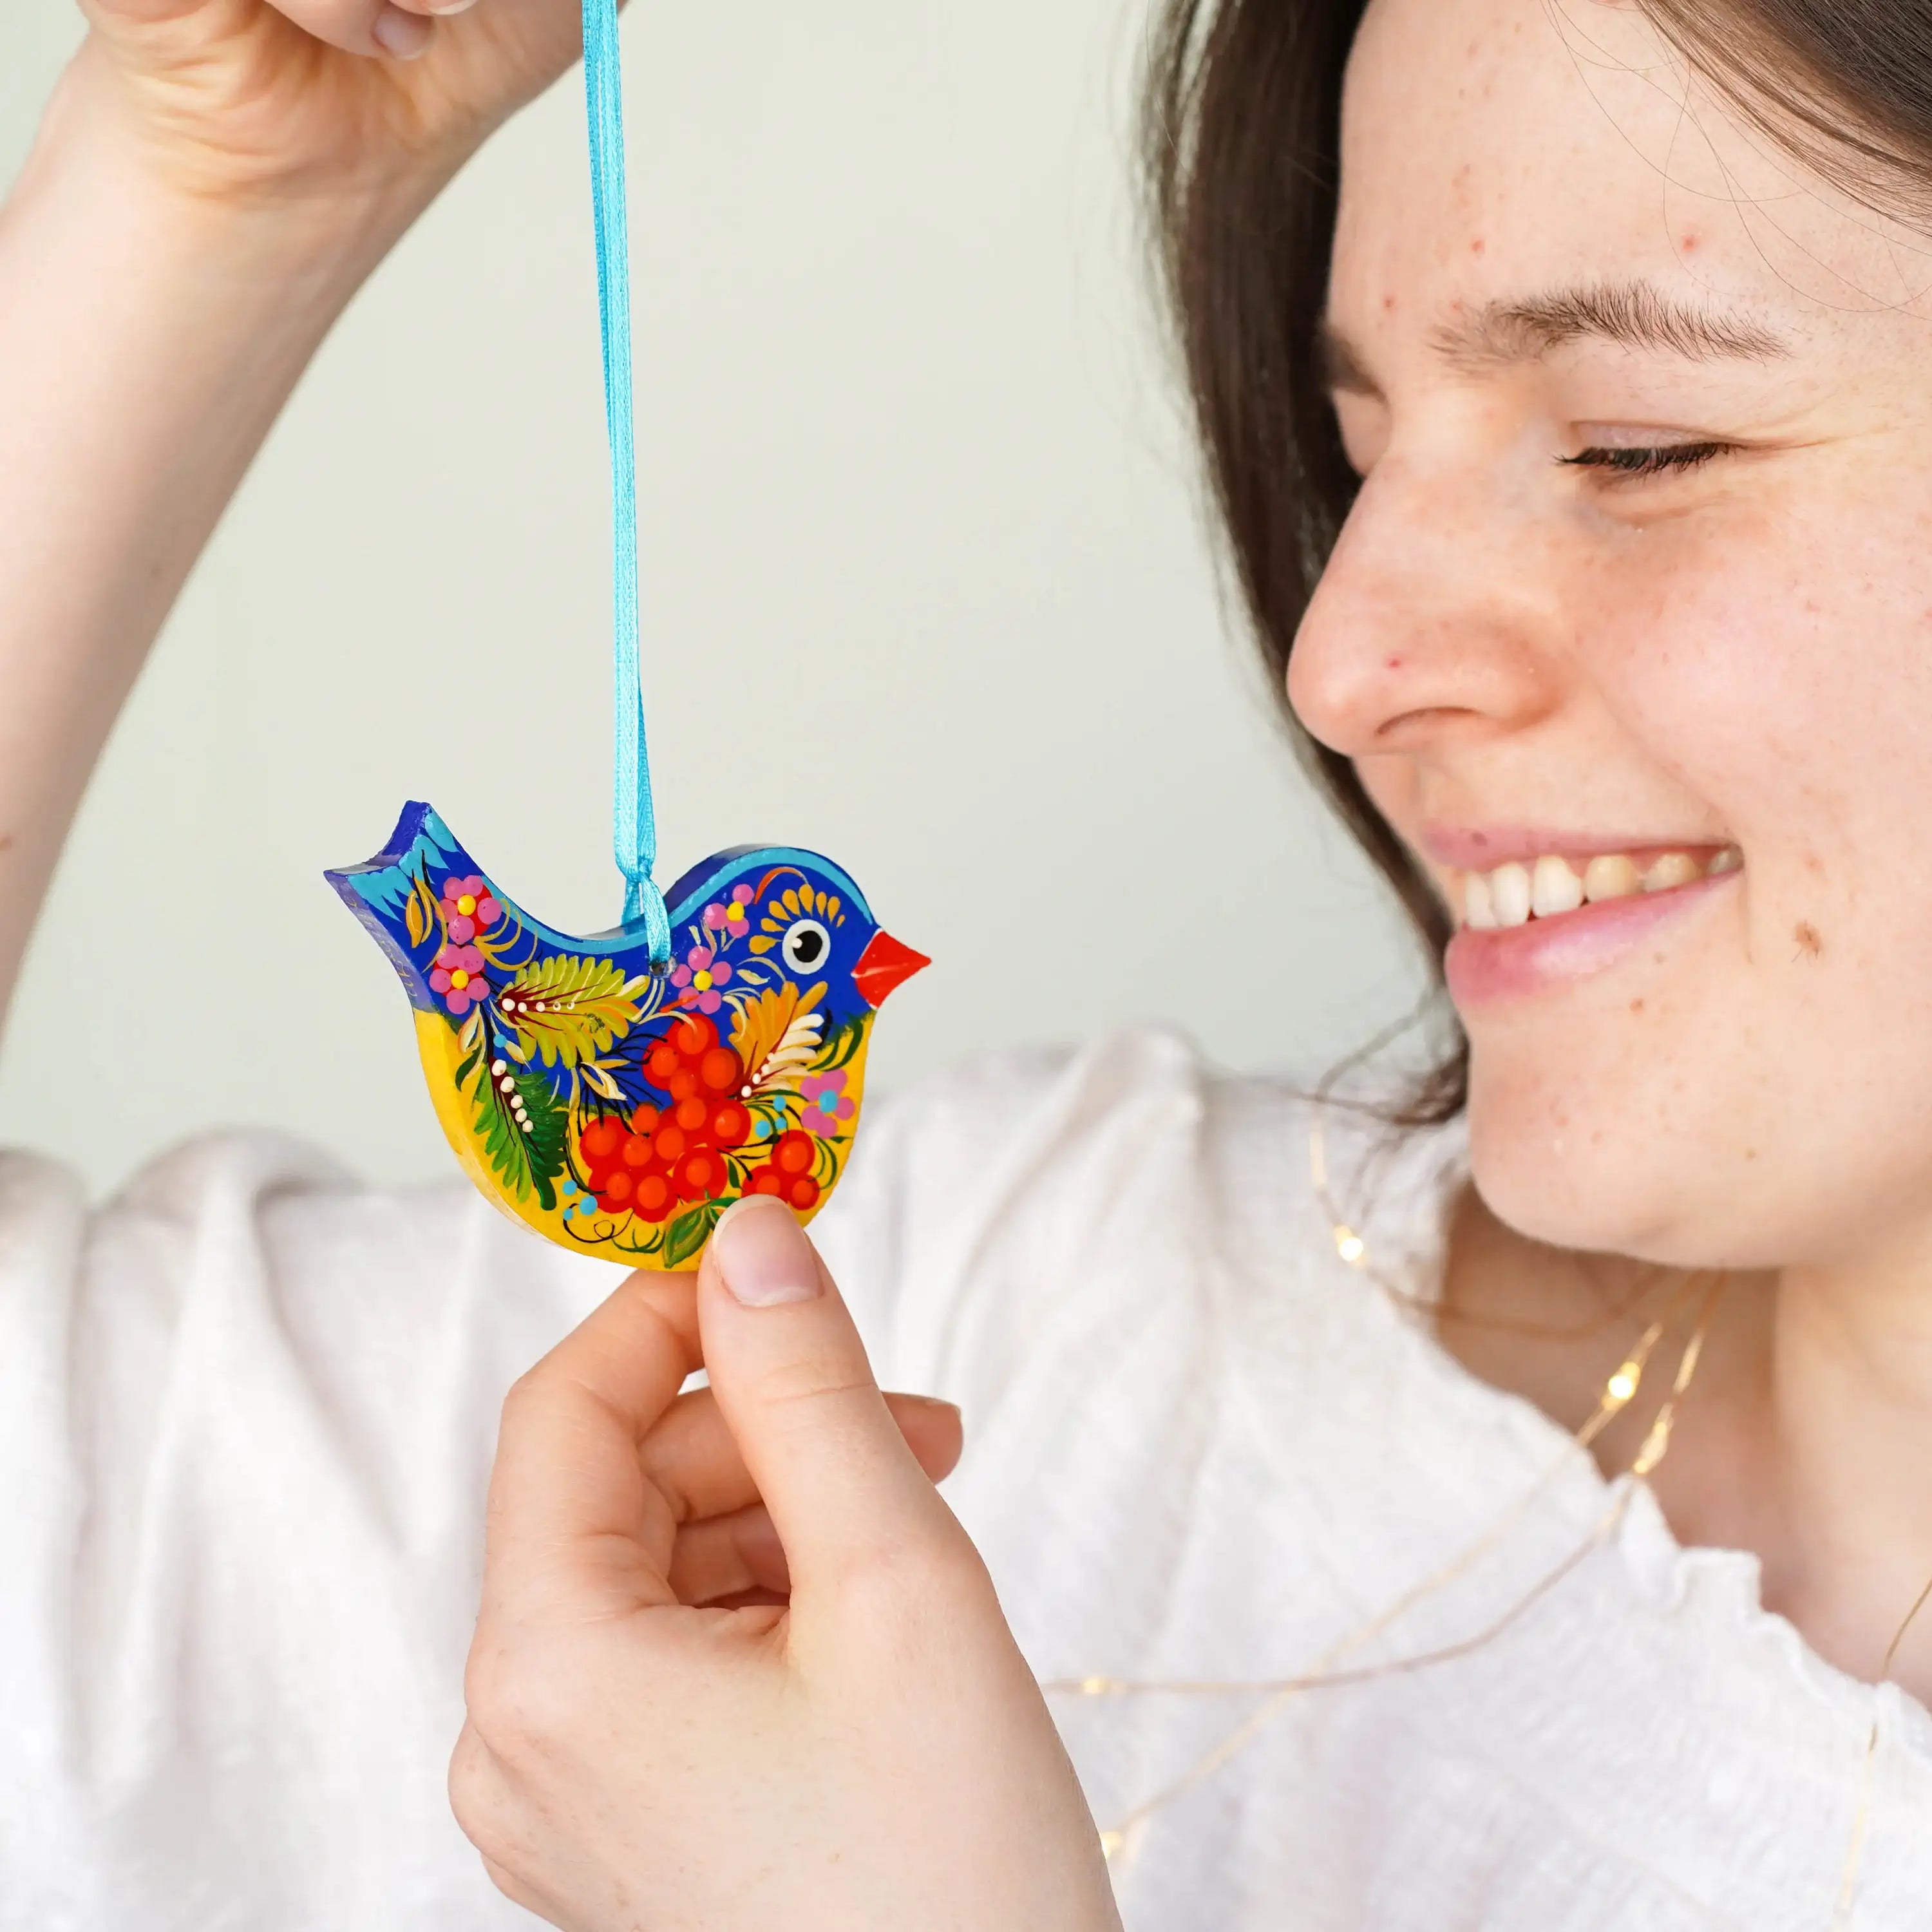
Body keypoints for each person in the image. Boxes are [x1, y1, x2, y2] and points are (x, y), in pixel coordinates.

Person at [4, 0, 1932, 1923]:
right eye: (1358, 463)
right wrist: (222, 177)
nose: (1339, 671)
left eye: (1639, 447)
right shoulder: (1057, 1317)